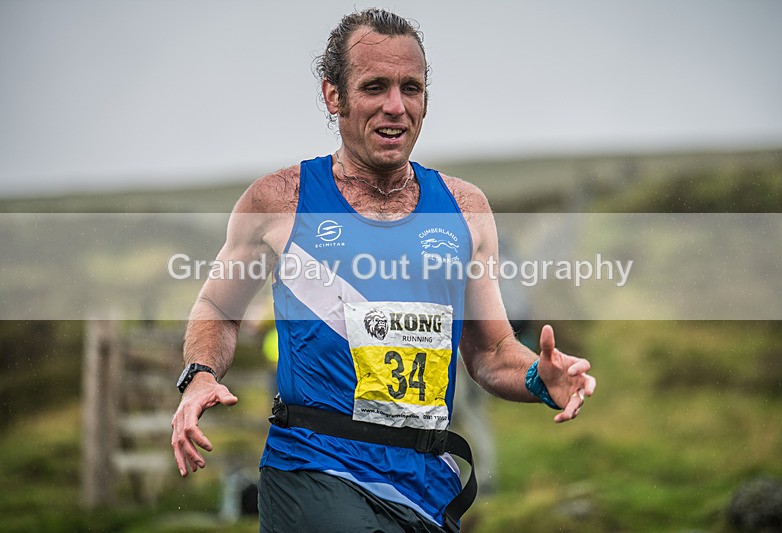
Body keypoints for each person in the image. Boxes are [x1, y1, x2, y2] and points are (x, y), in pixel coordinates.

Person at [170, 8, 596, 532]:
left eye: (411, 88)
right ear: (334, 96)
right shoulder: (281, 201)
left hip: (425, 486)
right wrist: (199, 375)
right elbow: (218, 306)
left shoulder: (464, 209)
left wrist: (537, 376)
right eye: (375, 87)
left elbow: (489, 352)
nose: (396, 106)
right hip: (314, 468)